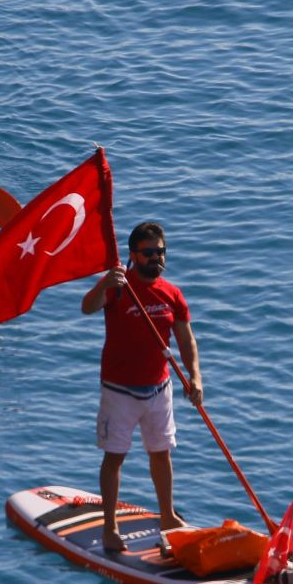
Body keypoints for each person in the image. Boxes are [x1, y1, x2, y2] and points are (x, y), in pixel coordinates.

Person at [81, 222, 204, 552]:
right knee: (115, 457)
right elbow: (87, 307)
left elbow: (186, 340)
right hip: (119, 391)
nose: (156, 258)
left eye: (161, 252)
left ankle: (167, 516)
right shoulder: (119, 287)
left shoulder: (172, 294)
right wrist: (105, 282)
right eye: (149, 253)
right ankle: (110, 528)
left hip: (159, 389)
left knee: (161, 454)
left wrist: (195, 378)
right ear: (133, 256)